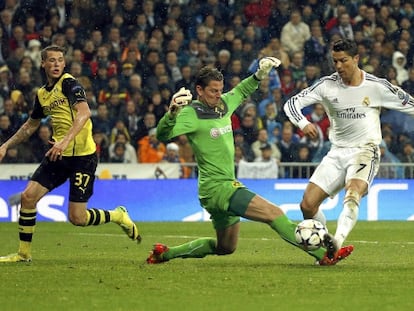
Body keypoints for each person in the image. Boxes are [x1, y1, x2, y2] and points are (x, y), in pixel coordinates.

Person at [146, 58, 353, 266]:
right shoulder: (191, 113)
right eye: (213, 91)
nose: (219, 95)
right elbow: (163, 135)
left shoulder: (223, 105)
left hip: (213, 191)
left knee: (225, 247)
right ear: (199, 90)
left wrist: (258, 75)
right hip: (219, 188)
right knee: (274, 214)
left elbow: (242, 91)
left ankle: (165, 254)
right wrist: (172, 113)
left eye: (220, 90)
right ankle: (325, 255)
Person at [0, 45, 141, 263]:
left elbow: (84, 113)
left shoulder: (70, 84)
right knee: (28, 197)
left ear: (64, 64)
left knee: (77, 218)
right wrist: (6, 145)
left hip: (83, 157)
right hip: (59, 155)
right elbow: (30, 125)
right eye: (51, 60)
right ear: (43, 64)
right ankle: (23, 254)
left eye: (59, 60)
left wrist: (64, 141)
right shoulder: (42, 94)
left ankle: (117, 215)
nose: (56, 64)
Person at [284, 39, 414, 259]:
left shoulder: (376, 86)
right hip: (336, 152)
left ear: (356, 59)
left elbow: (411, 105)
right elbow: (291, 104)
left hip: (365, 150)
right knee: (307, 205)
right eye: (335, 61)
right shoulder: (326, 85)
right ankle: (328, 247)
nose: (338, 66)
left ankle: (337, 241)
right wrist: (303, 123)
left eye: (343, 60)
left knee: (352, 192)